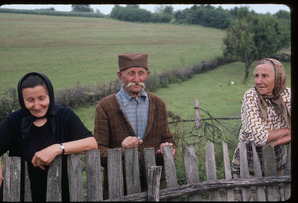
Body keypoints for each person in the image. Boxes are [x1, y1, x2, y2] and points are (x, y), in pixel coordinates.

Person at [0, 72, 98, 201]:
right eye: (30, 100)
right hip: (21, 194)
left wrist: (57, 148)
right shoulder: (14, 121)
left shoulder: (65, 116)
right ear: (22, 100)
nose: (37, 105)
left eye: (41, 98)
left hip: (61, 193)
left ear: (50, 95)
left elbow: (91, 143)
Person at [94, 53, 176, 198]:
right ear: (120, 75)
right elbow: (98, 152)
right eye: (131, 74)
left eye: (141, 73)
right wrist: (122, 150)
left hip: (156, 187)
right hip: (119, 188)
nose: (137, 79)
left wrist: (167, 149)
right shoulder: (105, 106)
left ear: (148, 74)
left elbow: (169, 140)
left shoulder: (158, 104)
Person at [232, 58, 291, 200]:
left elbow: (265, 138)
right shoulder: (251, 96)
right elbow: (259, 137)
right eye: (256, 76)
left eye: (264, 76)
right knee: (249, 197)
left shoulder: (287, 95)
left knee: (277, 196)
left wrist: (273, 142)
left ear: (277, 78)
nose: (258, 81)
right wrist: (288, 131)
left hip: (278, 156)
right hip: (250, 156)